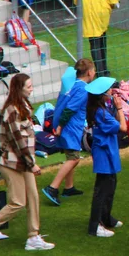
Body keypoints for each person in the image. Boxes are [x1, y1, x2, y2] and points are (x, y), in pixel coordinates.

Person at [0, 73, 55, 253]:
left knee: (33, 196)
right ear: (20, 89)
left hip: (23, 162)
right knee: (17, 202)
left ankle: (33, 237)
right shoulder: (12, 110)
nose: (32, 88)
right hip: (12, 163)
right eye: (29, 86)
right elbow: (18, 141)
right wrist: (31, 163)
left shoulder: (23, 105)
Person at [44, 58, 95, 205]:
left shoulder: (72, 85)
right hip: (70, 128)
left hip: (67, 126)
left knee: (70, 157)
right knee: (74, 159)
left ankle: (69, 187)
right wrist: (60, 126)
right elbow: (70, 109)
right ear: (90, 73)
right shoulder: (83, 90)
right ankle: (52, 188)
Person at [85, 77, 126, 237]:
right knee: (102, 190)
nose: (111, 91)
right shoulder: (101, 113)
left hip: (106, 152)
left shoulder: (99, 110)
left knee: (110, 186)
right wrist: (120, 108)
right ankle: (95, 226)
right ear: (102, 95)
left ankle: (106, 218)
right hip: (105, 155)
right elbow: (123, 127)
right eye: (108, 90)